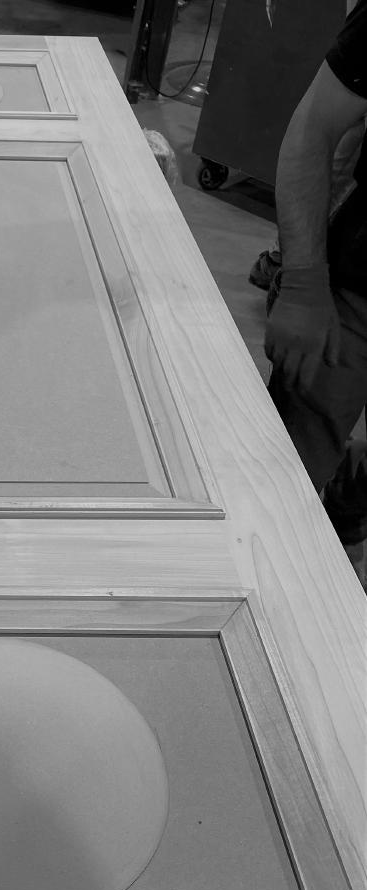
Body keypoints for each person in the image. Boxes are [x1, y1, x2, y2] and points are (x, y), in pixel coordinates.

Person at [265, 0, 367, 562]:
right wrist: (304, 283)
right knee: (278, 487)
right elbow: (315, 127)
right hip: (359, 289)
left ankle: (348, 504)